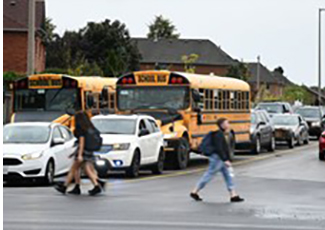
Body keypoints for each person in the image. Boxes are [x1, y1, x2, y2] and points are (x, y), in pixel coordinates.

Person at [190, 118, 244, 202]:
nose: (228, 124)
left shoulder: (223, 134)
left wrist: (227, 158)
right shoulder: (218, 135)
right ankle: (195, 191)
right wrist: (225, 159)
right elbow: (219, 148)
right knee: (209, 174)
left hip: (220, 158)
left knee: (228, 176)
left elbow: (224, 148)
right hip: (217, 158)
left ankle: (233, 195)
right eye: (227, 123)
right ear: (222, 125)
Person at [55, 111, 104, 196]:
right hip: (89, 151)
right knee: (85, 169)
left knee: (75, 169)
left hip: (83, 151)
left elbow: (81, 142)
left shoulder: (80, 127)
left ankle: (65, 186)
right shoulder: (91, 127)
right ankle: (94, 184)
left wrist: (80, 155)